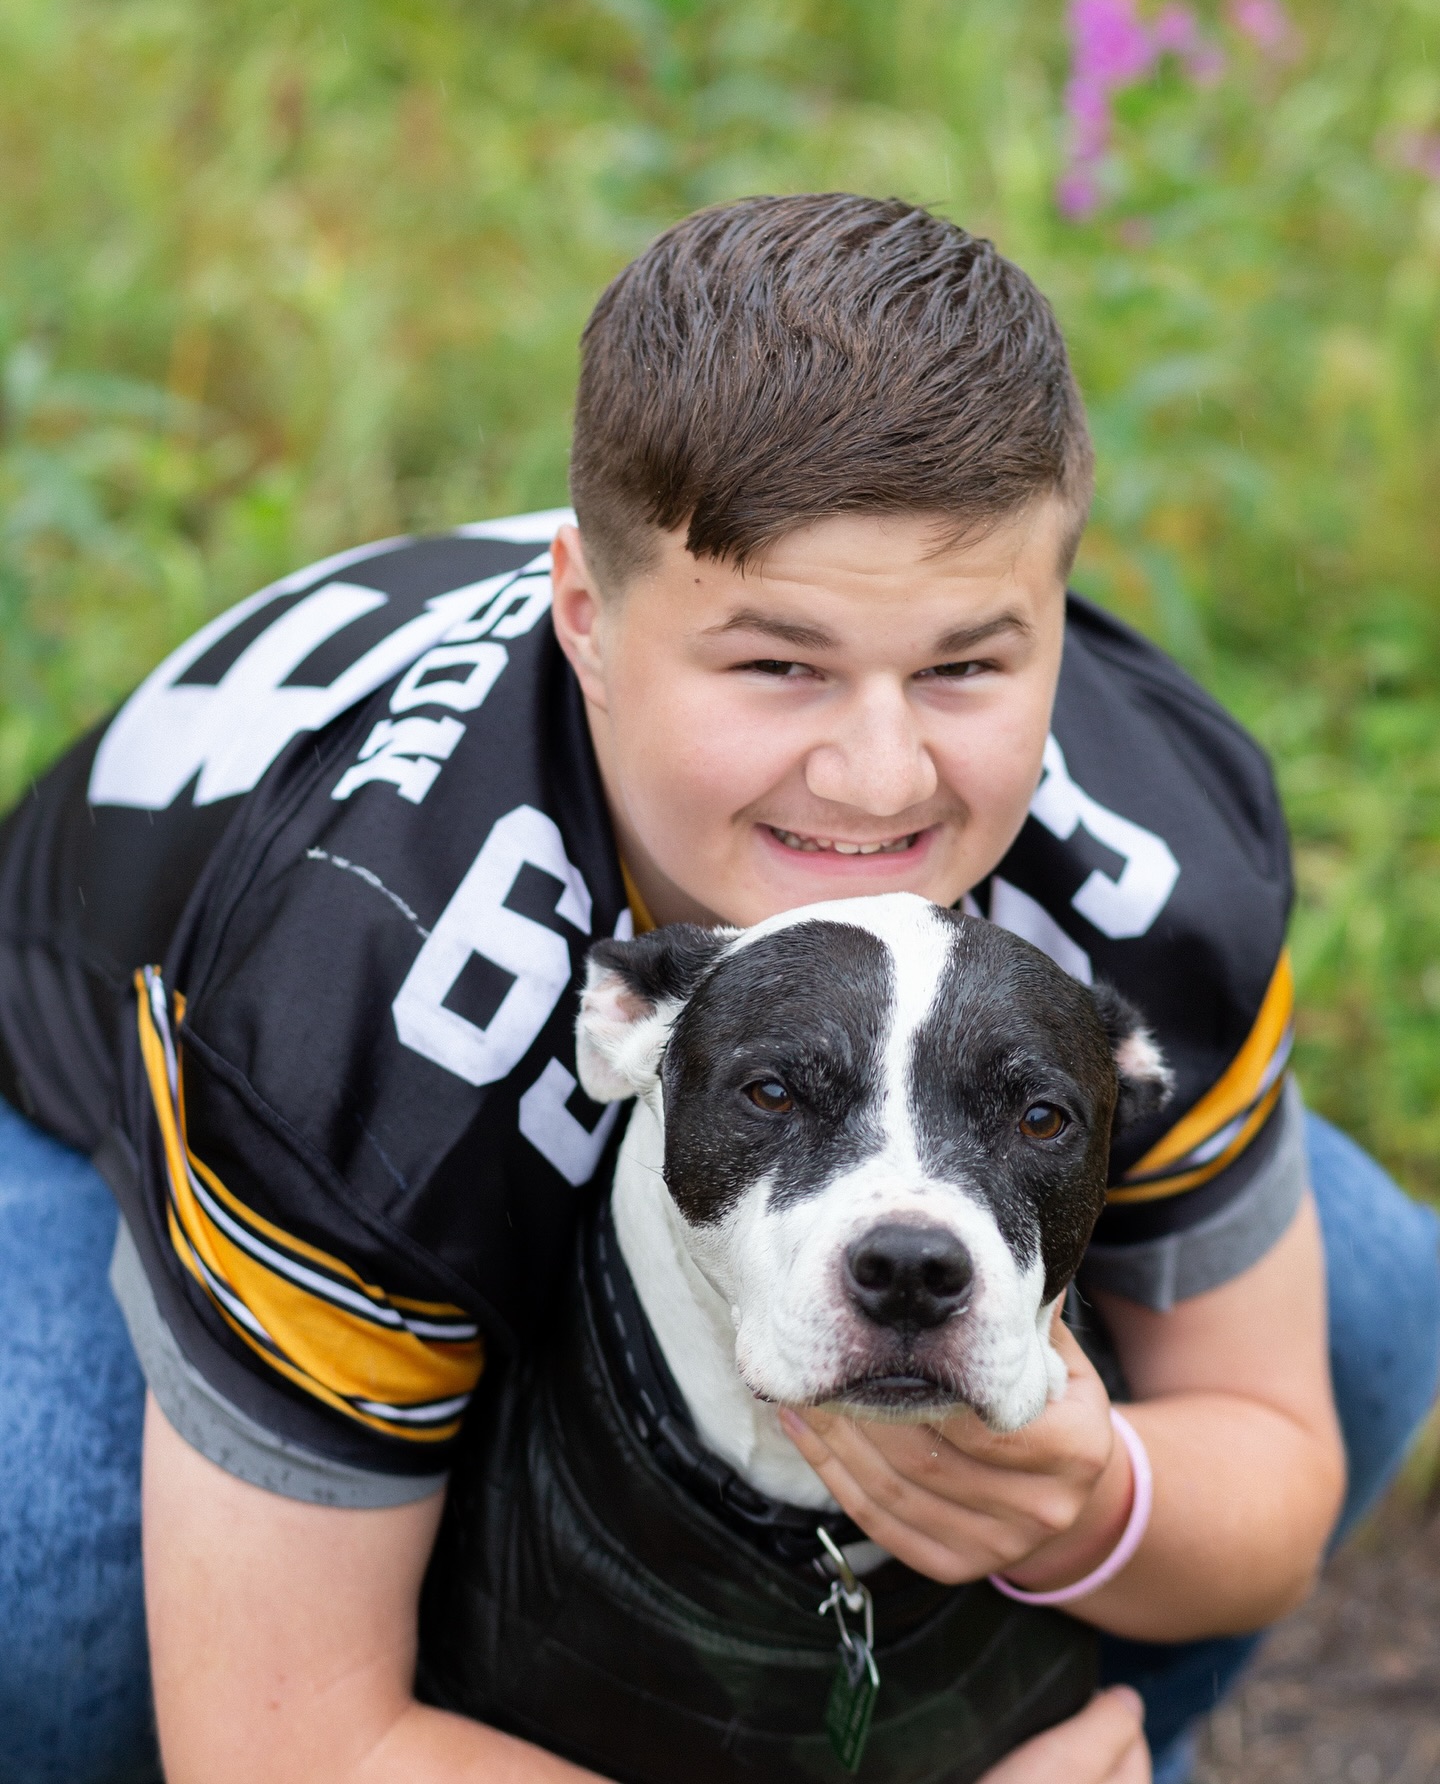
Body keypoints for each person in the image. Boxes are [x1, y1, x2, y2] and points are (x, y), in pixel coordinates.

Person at [0, 194, 1435, 1784]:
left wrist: (1093, 1499)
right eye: (778, 664)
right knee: (51, 1572)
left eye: (966, 663)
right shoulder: (361, 1008)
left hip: (674, 1146)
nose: (880, 771)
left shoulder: (1145, 852)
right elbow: (283, 1748)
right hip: (115, 1115)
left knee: (1365, 1294)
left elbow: (1273, 1471)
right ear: (589, 622)